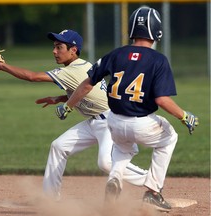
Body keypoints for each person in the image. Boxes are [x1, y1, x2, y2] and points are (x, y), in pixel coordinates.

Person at [56, 8, 199, 212]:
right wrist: (185, 116)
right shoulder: (158, 60)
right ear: (157, 32)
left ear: (131, 30)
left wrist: (67, 106)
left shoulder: (115, 55)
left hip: (114, 122)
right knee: (169, 138)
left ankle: (115, 178)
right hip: (142, 122)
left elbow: (88, 83)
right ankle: (153, 192)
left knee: (123, 149)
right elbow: (162, 99)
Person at [0, 29, 148, 200]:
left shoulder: (71, 71)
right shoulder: (82, 65)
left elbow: (32, 77)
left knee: (106, 162)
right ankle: (51, 200)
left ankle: (151, 180)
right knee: (59, 146)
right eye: (54, 47)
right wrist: (59, 98)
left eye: (59, 47)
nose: (54, 51)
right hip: (96, 121)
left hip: (111, 122)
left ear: (73, 50)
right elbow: (87, 92)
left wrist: (2, 66)